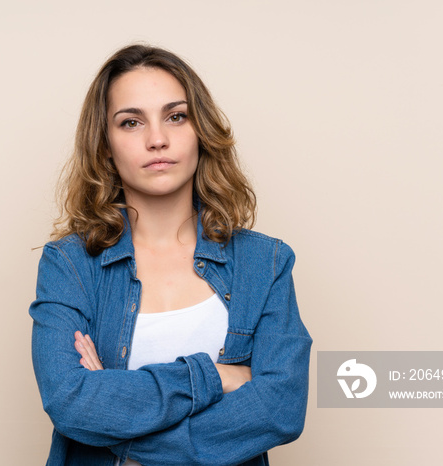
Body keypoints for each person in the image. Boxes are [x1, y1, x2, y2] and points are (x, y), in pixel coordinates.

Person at [29, 44, 312, 466]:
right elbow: (70, 400)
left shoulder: (265, 263)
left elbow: (281, 408)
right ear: (104, 145)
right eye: (130, 123)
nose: (157, 139)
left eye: (176, 116)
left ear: (201, 130)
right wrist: (216, 376)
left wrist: (117, 430)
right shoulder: (70, 265)